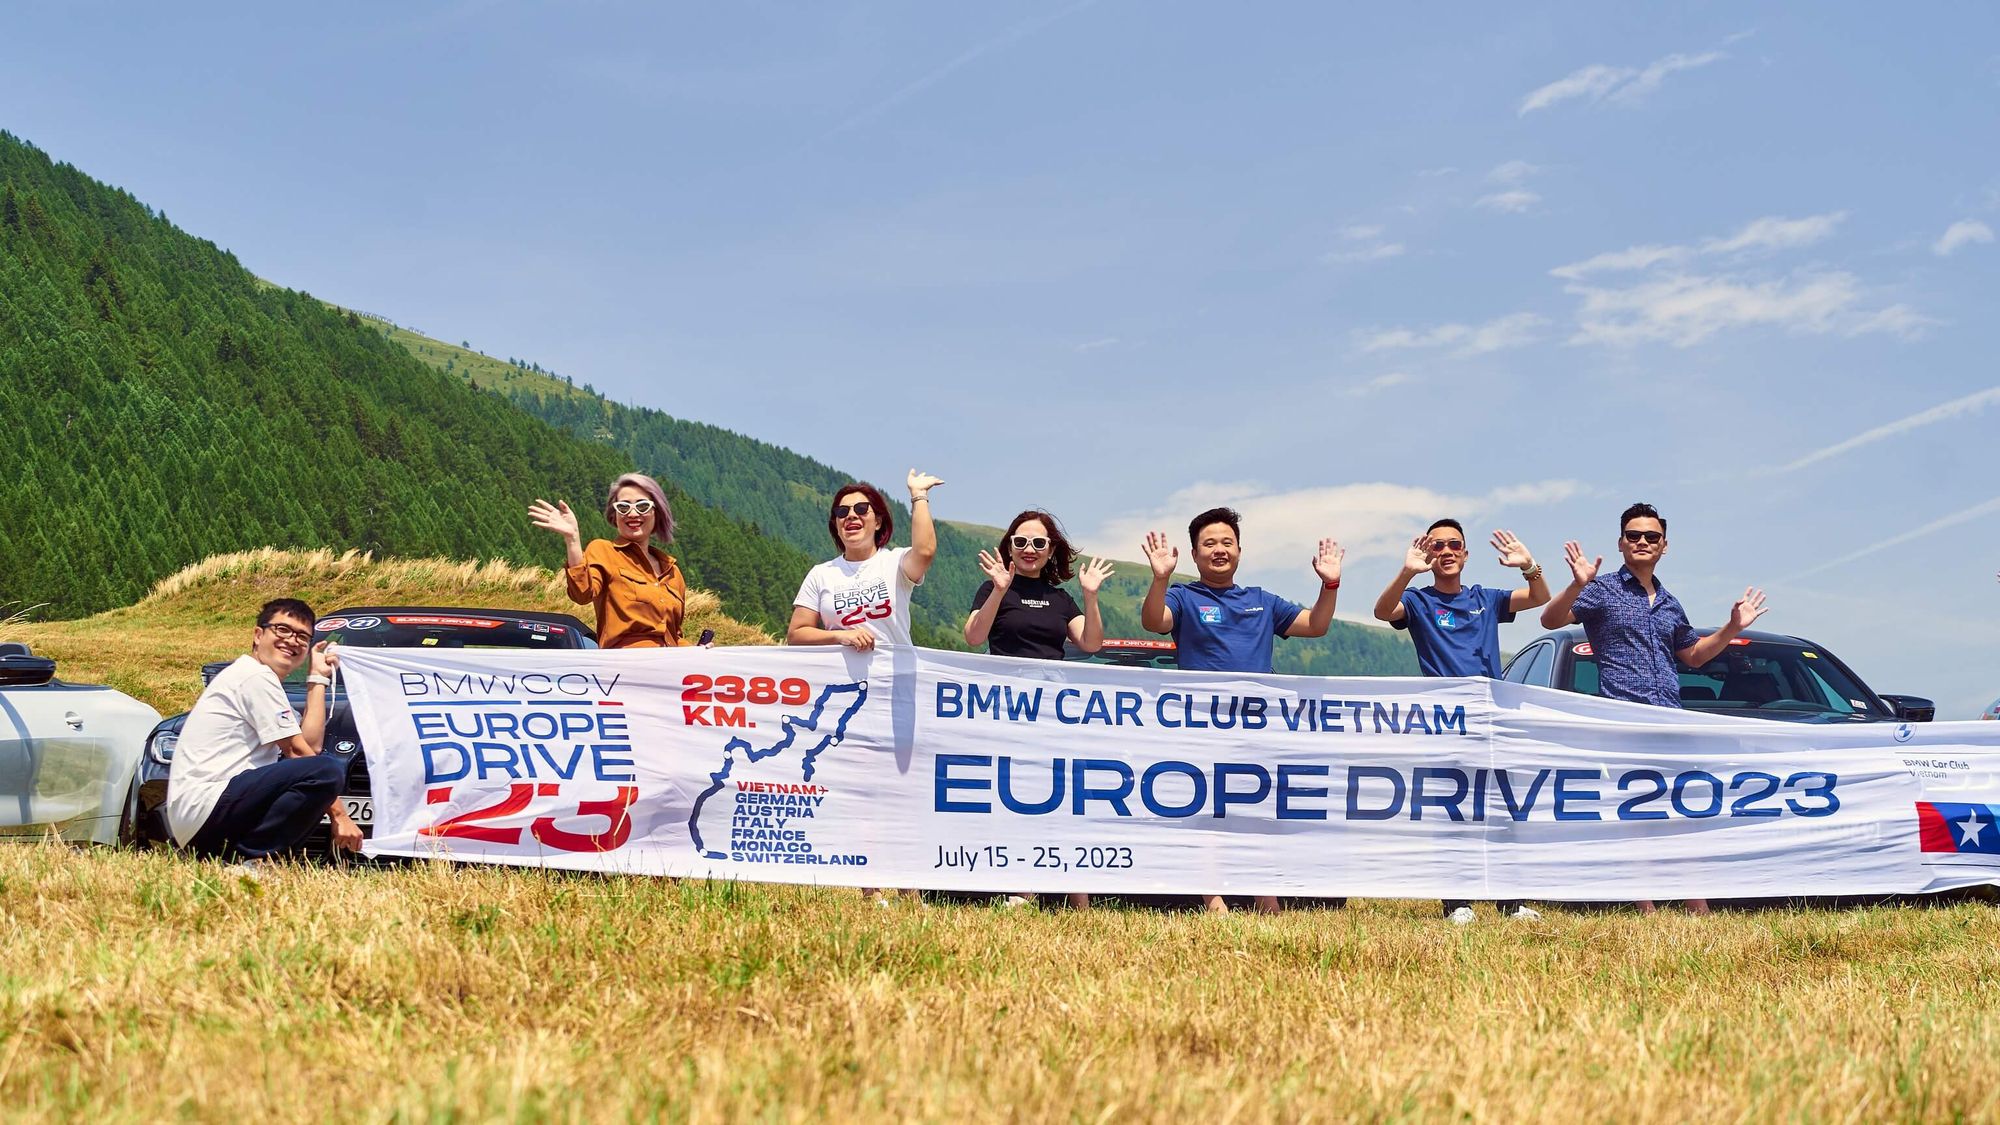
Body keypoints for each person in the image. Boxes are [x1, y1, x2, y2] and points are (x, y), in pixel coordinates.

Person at [1539, 501, 1769, 916]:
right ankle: (1646, 906)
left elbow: (1694, 656)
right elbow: (1550, 621)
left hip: (1669, 719)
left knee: (1681, 810)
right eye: (1634, 535)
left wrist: (1732, 627)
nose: (1642, 541)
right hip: (1624, 718)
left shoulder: (1670, 603)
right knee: (1637, 811)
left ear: (1665, 546)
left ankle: (1696, 905)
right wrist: (1576, 584)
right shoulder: (1602, 589)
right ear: (1621, 543)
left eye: (1651, 536)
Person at [1139, 506, 1344, 915]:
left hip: (1258, 727)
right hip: (1202, 726)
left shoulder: (1262, 601)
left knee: (1259, 809)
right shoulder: (1183, 596)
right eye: (1209, 544)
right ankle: (1212, 897)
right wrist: (1160, 579)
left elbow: (1315, 626)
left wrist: (1330, 584)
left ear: (1239, 551)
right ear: (1194, 554)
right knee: (1208, 809)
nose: (1219, 550)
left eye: (1227, 543)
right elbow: (1154, 622)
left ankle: (1266, 897)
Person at [1373, 520, 1551, 925]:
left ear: (1466, 555)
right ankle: (1457, 901)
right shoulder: (1418, 601)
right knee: (1453, 810)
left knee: (1502, 808)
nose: (1447, 551)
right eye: (1438, 546)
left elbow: (1540, 597)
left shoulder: (1485, 598)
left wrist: (1528, 565)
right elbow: (1382, 611)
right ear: (1429, 554)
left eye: (1455, 545)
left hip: (1491, 719)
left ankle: (1511, 901)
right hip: (1446, 722)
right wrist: (1407, 572)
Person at [789, 470, 943, 904]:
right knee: (861, 791)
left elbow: (926, 551)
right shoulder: (822, 574)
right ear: (835, 525)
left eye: (861, 510)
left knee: (902, 787)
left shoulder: (893, 564)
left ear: (878, 521)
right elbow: (797, 633)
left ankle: (909, 888)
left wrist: (918, 497)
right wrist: (839, 635)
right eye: (842, 512)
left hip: (898, 693)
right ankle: (869, 888)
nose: (851, 517)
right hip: (846, 698)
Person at [963, 509, 1114, 910]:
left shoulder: (1061, 599)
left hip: (1051, 711)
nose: (1029, 549)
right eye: (1020, 542)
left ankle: (1079, 900)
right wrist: (999, 590)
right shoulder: (992, 588)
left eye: (1038, 543)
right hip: (1005, 709)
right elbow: (974, 637)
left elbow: (1091, 644)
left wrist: (1091, 597)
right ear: (1009, 547)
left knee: (1061, 796)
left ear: (1050, 551)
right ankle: (1022, 889)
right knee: (1014, 795)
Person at [164, 598, 362, 870]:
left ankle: (242, 861)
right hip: (207, 805)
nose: (292, 640)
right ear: (258, 635)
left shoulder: (260, 681)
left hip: (204, 817)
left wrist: (317, 677)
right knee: (328, 770)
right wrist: (340, 814)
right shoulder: (254, 676)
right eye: (282, 629)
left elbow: (310, 746)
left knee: (320, 769)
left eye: (302, 636)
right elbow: (299, 754)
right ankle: (252, 860)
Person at [530, 474, 687, 649]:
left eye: (642, 506)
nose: (632, 513)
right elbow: (582, 594)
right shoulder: (603, 551)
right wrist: (572, 539)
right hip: (627, 662)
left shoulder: (672, 571)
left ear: (657, 512)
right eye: (623, 507)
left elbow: (675, 635)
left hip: (670, 663)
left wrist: (701, 651)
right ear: (615, 515)